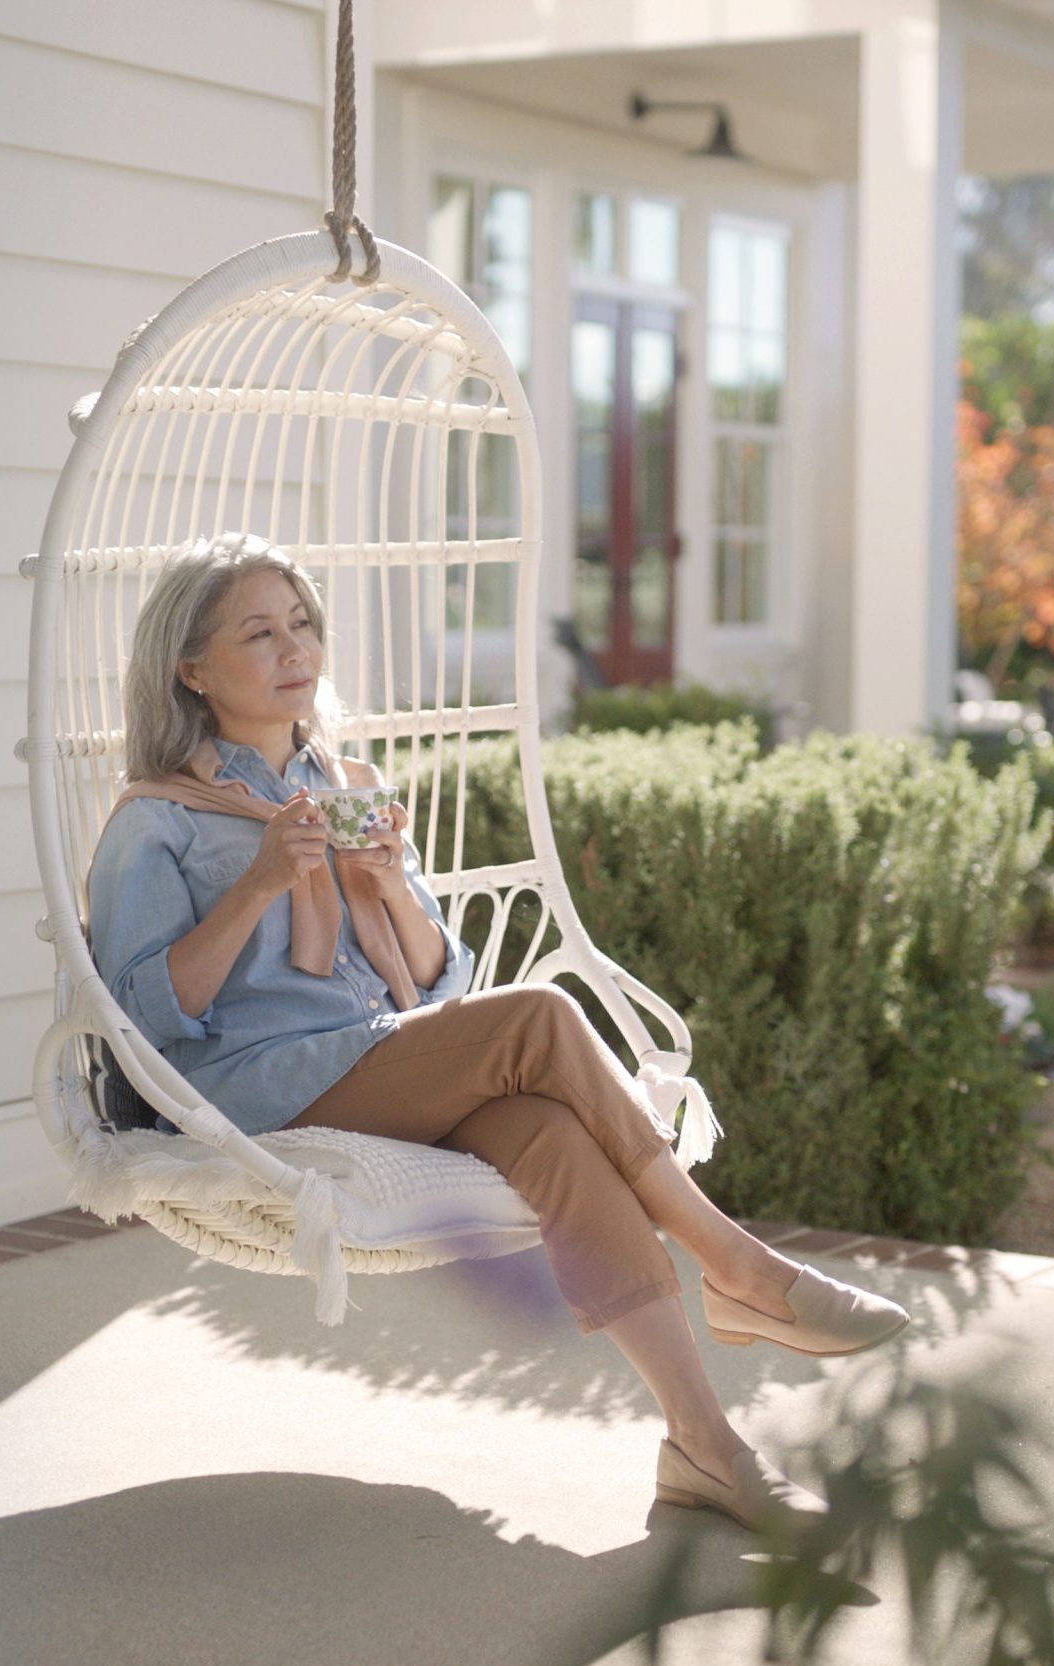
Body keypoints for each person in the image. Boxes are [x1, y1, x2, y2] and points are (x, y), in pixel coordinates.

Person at [86, 533, 911, 1538]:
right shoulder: (157, 823)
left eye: (302, 623)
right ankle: (736, 1265)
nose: (294, 648)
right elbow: (143, 1018)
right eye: (258, 632)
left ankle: (707, 1448)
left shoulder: (341, 784)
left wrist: (388, 882)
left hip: (377, 1055)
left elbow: (442, 981)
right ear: (192, 669)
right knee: (541, 1017)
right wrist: (261, 877)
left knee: (551, 1134)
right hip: (246, 1087)